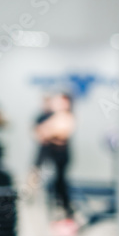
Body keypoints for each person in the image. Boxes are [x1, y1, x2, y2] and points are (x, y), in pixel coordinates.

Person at [32, 92, 76, 220]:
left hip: (62, 155)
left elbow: (62, 133)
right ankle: (61, 210)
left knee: (61, 183)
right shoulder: (53, 116)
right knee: (53, 183)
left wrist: (50, 132)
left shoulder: (68, 116)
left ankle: (67, 210)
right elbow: (39, 132)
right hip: (52, 153)